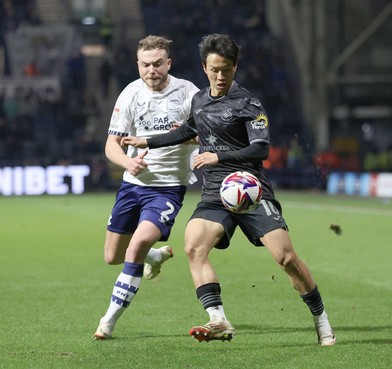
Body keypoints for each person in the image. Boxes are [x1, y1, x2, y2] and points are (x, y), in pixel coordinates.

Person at [122, 33, 336, 346]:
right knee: (193, 246)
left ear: (235, 67)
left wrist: (218, 155)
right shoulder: (199, 100)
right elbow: (189, 130)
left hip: (250, 191)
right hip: (214, 194)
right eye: (214, 70)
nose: (220, 76)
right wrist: (148, 141)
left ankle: (320, 317)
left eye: (226, 69)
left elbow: (260, 149)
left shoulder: (248, 103)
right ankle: (218, 318)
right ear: (204, 68)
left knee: (286, 259)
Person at [94, 35, 199, 340]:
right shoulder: (130, 94)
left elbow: (207, 132)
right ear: (137, 64)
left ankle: (108, 321)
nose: (151, 70)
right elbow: (111, 145)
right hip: (132, 185)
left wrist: (185, 137)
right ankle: (154, 257)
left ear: (169, 63)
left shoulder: (188, 93)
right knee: (112, 256)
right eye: (145, 64)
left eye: (157, 64)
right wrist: (126, 164)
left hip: (167, 188)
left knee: (137, 245)